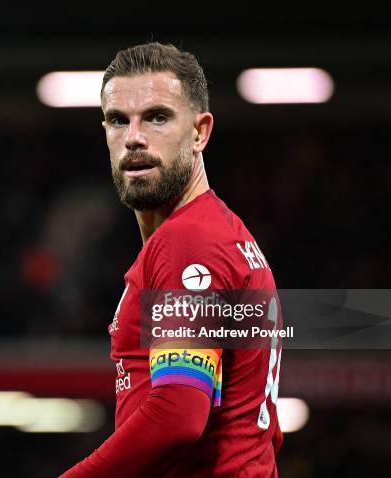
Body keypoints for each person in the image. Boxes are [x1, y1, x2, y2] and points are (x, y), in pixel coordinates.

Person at [60, 42, 283, 477]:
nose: (134, 138)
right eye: (117, 120)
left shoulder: (189, 242)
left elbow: (177, 415)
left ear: (201, 132)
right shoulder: (221, 233)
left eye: (157, 117)